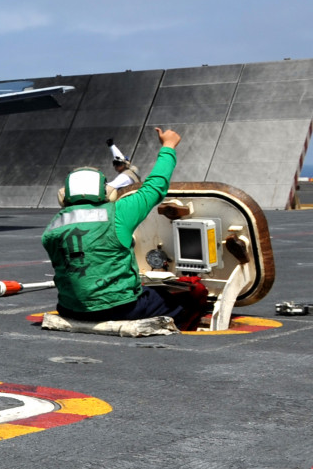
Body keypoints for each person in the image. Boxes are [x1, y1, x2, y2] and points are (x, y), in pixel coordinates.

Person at [43, 127, 209, 328]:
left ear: (63, 196)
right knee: (193, 295)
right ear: (105, 192)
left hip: (68, 308)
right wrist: (168, 145)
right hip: (121, 307)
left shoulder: (53, 226)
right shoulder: (119, 212)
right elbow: (155, 186)